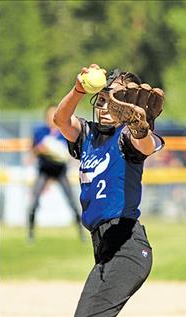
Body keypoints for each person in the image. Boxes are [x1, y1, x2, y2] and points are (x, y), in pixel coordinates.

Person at [53, 64, 165, 316]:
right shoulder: (89, 136)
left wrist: (139, 127)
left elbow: (145, 146)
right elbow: (60, 119)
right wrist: (78, 89)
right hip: (103, 244)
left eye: (114, 100)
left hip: (126, 245)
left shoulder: (127, 136)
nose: (105, 106)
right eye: (102, 99)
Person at [27, 105, 85, 243]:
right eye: (50, 115)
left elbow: (70, 153)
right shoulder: (40, 131)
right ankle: (30, 234)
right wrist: (40, 150)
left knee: (72, 201)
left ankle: (81, 233)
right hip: (44, 171)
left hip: (60, 171)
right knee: (33, 202)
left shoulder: (64, 131)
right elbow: (33, 151)